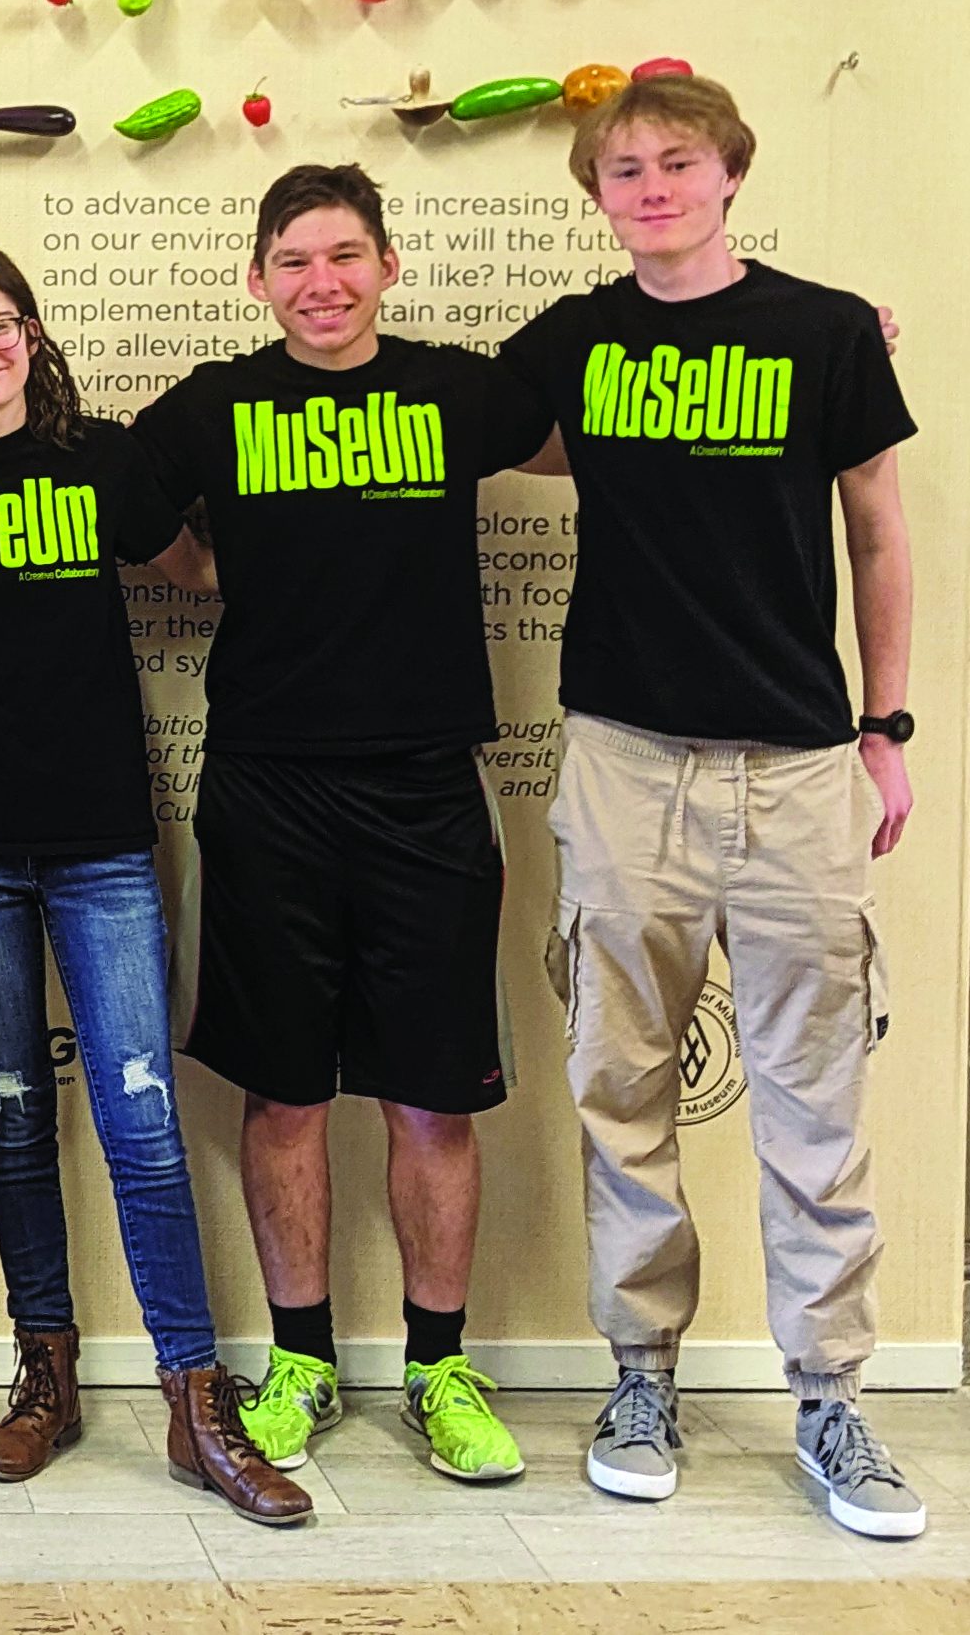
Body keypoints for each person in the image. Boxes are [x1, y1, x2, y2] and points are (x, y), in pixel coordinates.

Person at [500, 76, 926, 1539]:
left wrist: (887, 726)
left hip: (798, 766)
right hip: (625, 761)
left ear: (730, 173)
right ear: (599, 195)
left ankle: (832, 1400)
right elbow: (486, 429)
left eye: (678, 161)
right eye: (624, 169)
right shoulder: (574, 344)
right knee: (623, 1092)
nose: (653, 185)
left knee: (815, 1101)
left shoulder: (824, 332)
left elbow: (878, 529)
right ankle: (640, 1375)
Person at [131, 165, 554, 1485]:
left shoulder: (455, 389)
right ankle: (301, 1358)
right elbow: (121, 509)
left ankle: (440, 1367)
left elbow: (602, 419)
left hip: (429, 785)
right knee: (287, 1090)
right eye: (296, 259)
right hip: (268, 788)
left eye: (346, 254)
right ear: (258, 277)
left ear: (386, 266)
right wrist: (217, 569)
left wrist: (822, 342)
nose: (323, 281)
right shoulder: (215, 405)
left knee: (435, 1100)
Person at [0, 242, 309, 1526]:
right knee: (12, 1113)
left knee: (137, 1122)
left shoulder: (107, 460)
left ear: (30, 330)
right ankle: (46, 1373)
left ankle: (192, 1399)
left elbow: (196, 569)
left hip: (102, 846)